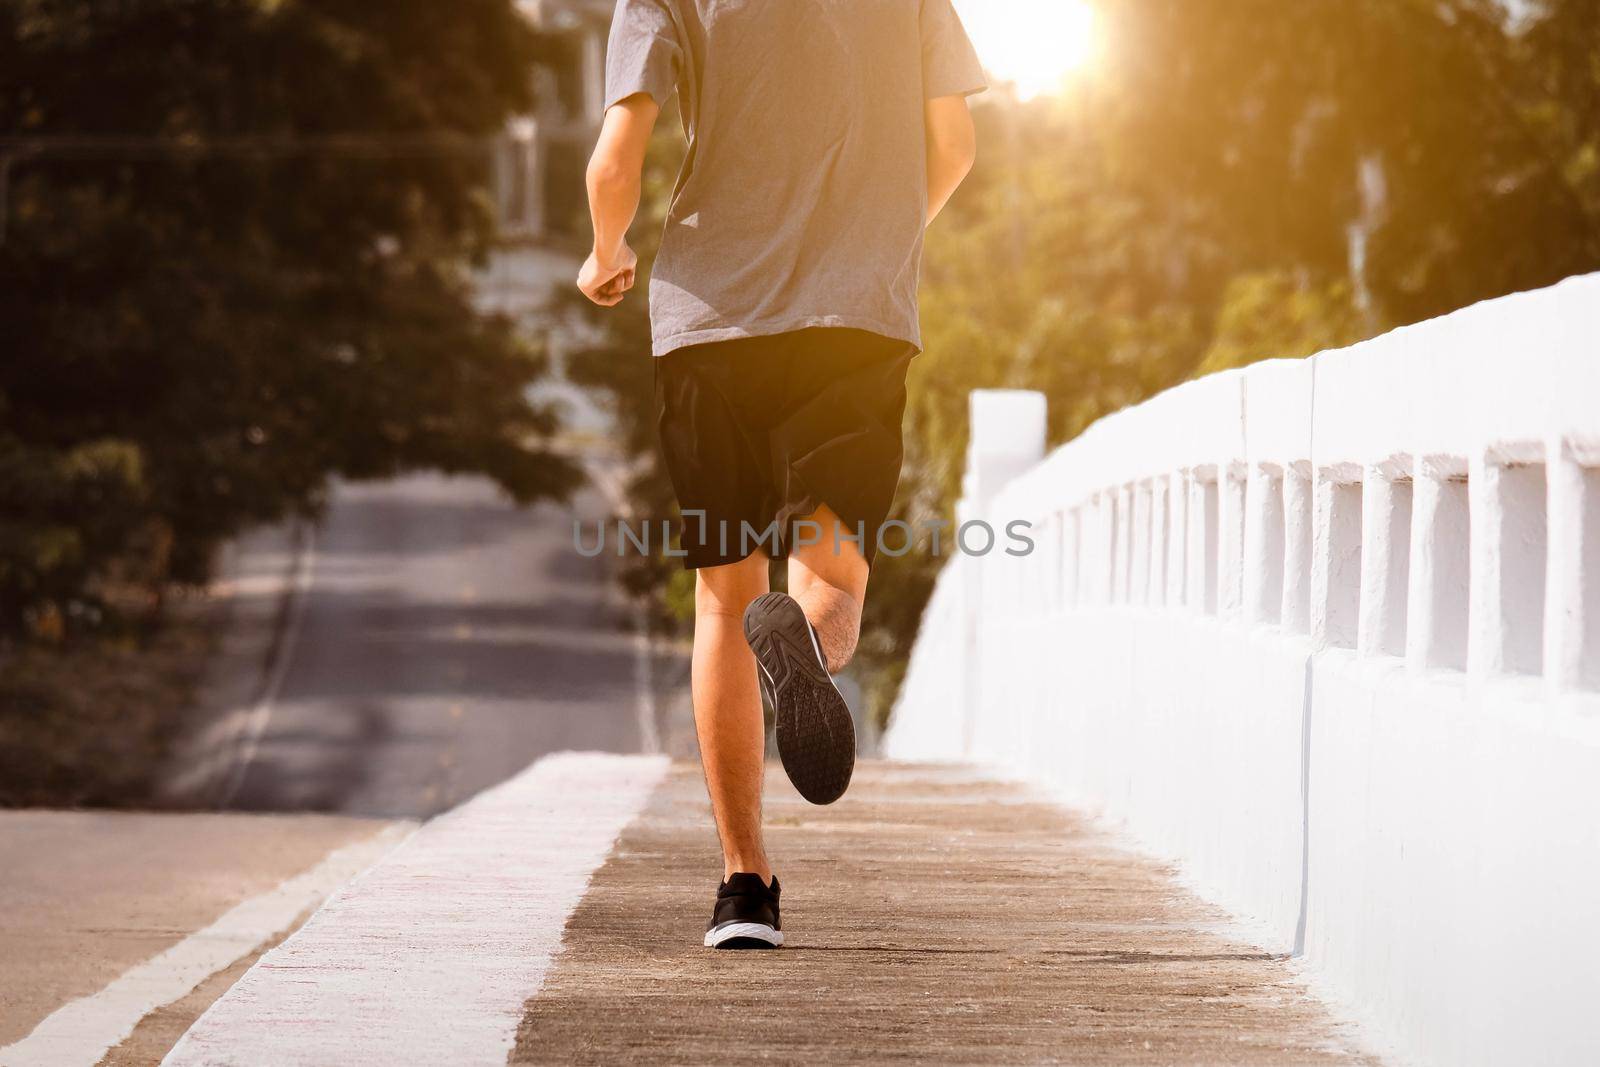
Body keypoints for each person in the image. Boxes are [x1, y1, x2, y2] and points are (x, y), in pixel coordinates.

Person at [579, 0, 984, 950]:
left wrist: (607, 251)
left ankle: (744, 887)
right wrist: (881, 237)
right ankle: (801, 636)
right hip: (856, 319)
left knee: (723, 603)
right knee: (829, 566)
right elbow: (955, 141)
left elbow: (614, 160)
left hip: (708, 323)